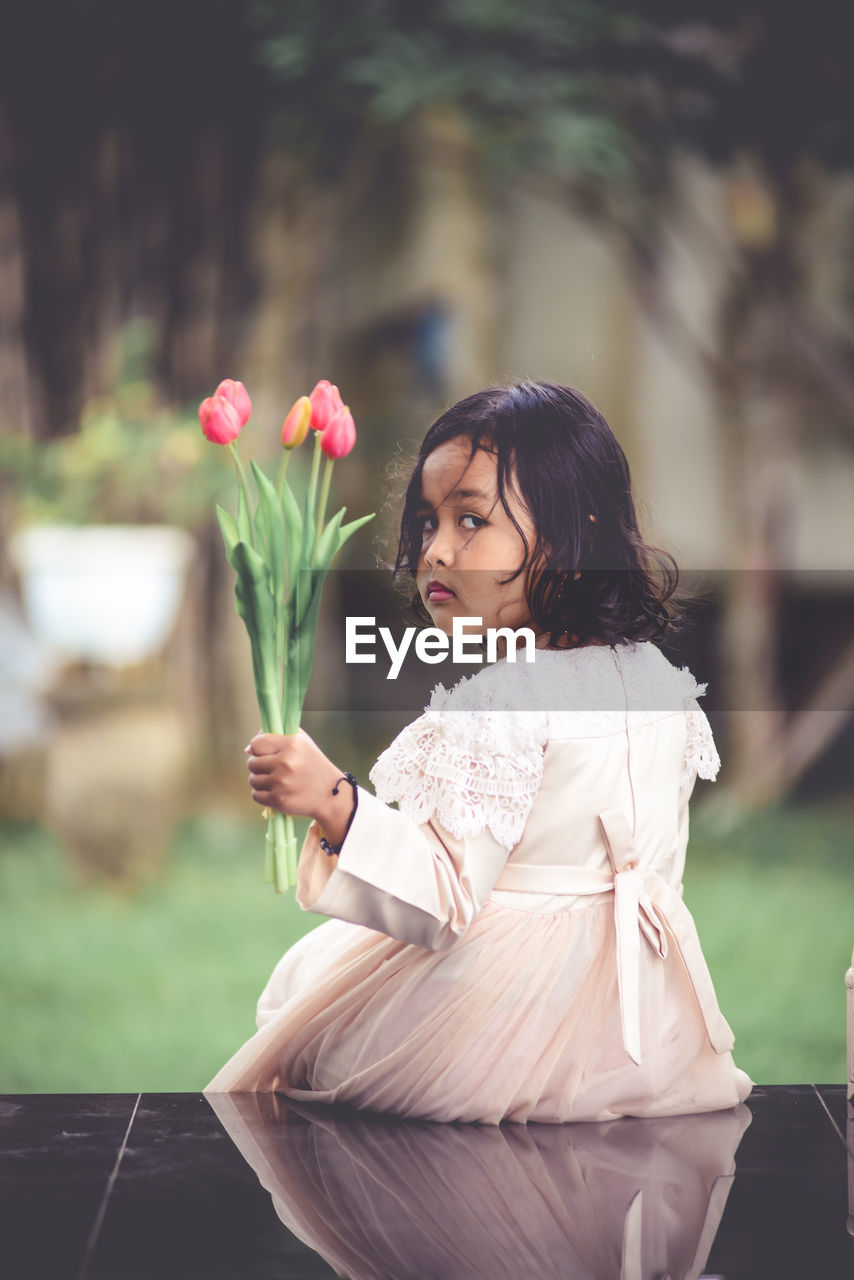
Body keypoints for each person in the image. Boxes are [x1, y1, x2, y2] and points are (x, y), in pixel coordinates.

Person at [204, 380, 753, 1124]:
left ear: (572, 538)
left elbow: (445, 900)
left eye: (471, 521)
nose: (436, 550)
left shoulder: (503, 706)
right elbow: (652, 867)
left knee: (309, 1009)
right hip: (645, 1026)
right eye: (428, 522)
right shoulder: (660, 682)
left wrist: (333, 799)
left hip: (513, 1026)